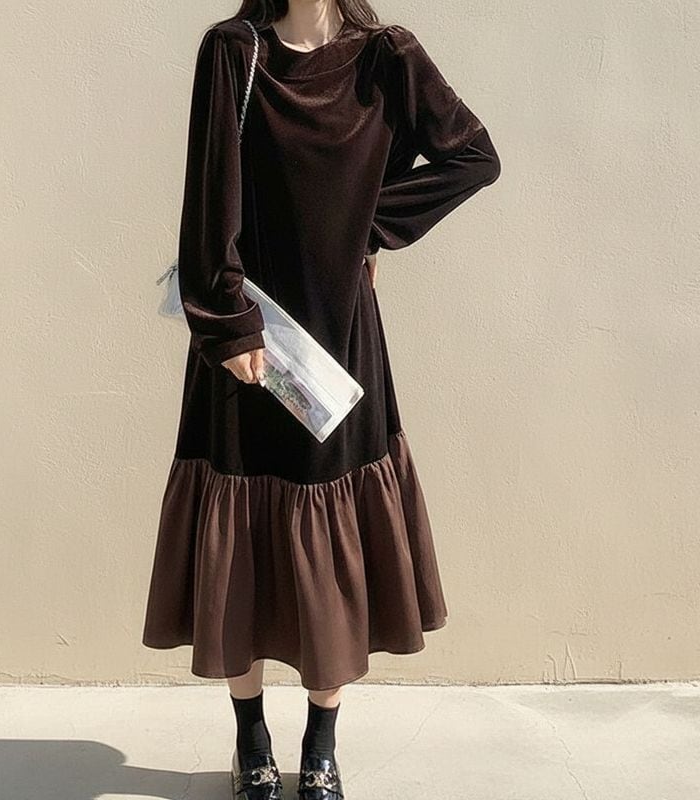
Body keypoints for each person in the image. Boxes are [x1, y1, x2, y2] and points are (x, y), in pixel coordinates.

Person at [142, 1, 501, 797]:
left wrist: (369, 226)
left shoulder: (386, 56)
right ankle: (251, 740)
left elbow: (473, 157)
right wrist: (227, 324)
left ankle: (322, 746)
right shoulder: (235, 52)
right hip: (252, 338)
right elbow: (207, 201)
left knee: (330, 543)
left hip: (340, 341)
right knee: (241, 539)